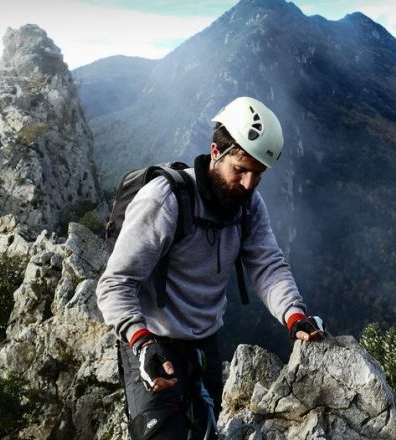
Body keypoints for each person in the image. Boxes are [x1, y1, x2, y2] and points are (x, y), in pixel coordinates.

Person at [96, 96, 325, 440]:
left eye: (258, 174)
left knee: (205, 433)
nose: (249, 184)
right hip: (153, 341)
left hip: (204, 344)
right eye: (241, 169)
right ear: (215, 151)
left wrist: (294, 314)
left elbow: (267, 264)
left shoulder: (248, 205)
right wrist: (141, 342)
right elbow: (115, 283)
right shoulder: (166, 200)